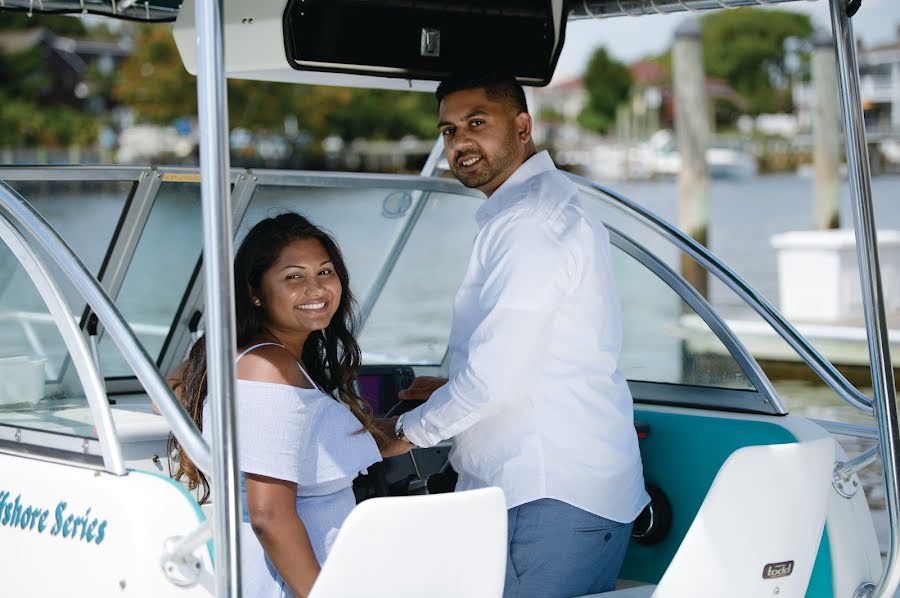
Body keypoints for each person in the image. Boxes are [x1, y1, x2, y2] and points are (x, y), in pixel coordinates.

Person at [393, 73, 649, 598]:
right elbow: (529, 351)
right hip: (553, 490)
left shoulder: (530, 220)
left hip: (550, 493)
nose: (459, 142)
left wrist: (398, 434)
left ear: (523, 126)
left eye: (476, 124)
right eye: (447, 131)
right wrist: (448, 387)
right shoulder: (526, 209)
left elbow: (492, 382)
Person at [171, 212, 407, 598]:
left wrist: (438, 414)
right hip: (296, 582)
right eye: (294, 277)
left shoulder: (247, 355)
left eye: (325, 272)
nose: (316, 290)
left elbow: (175, 384)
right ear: (255, 291)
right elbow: (270, 517)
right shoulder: (267, 369)